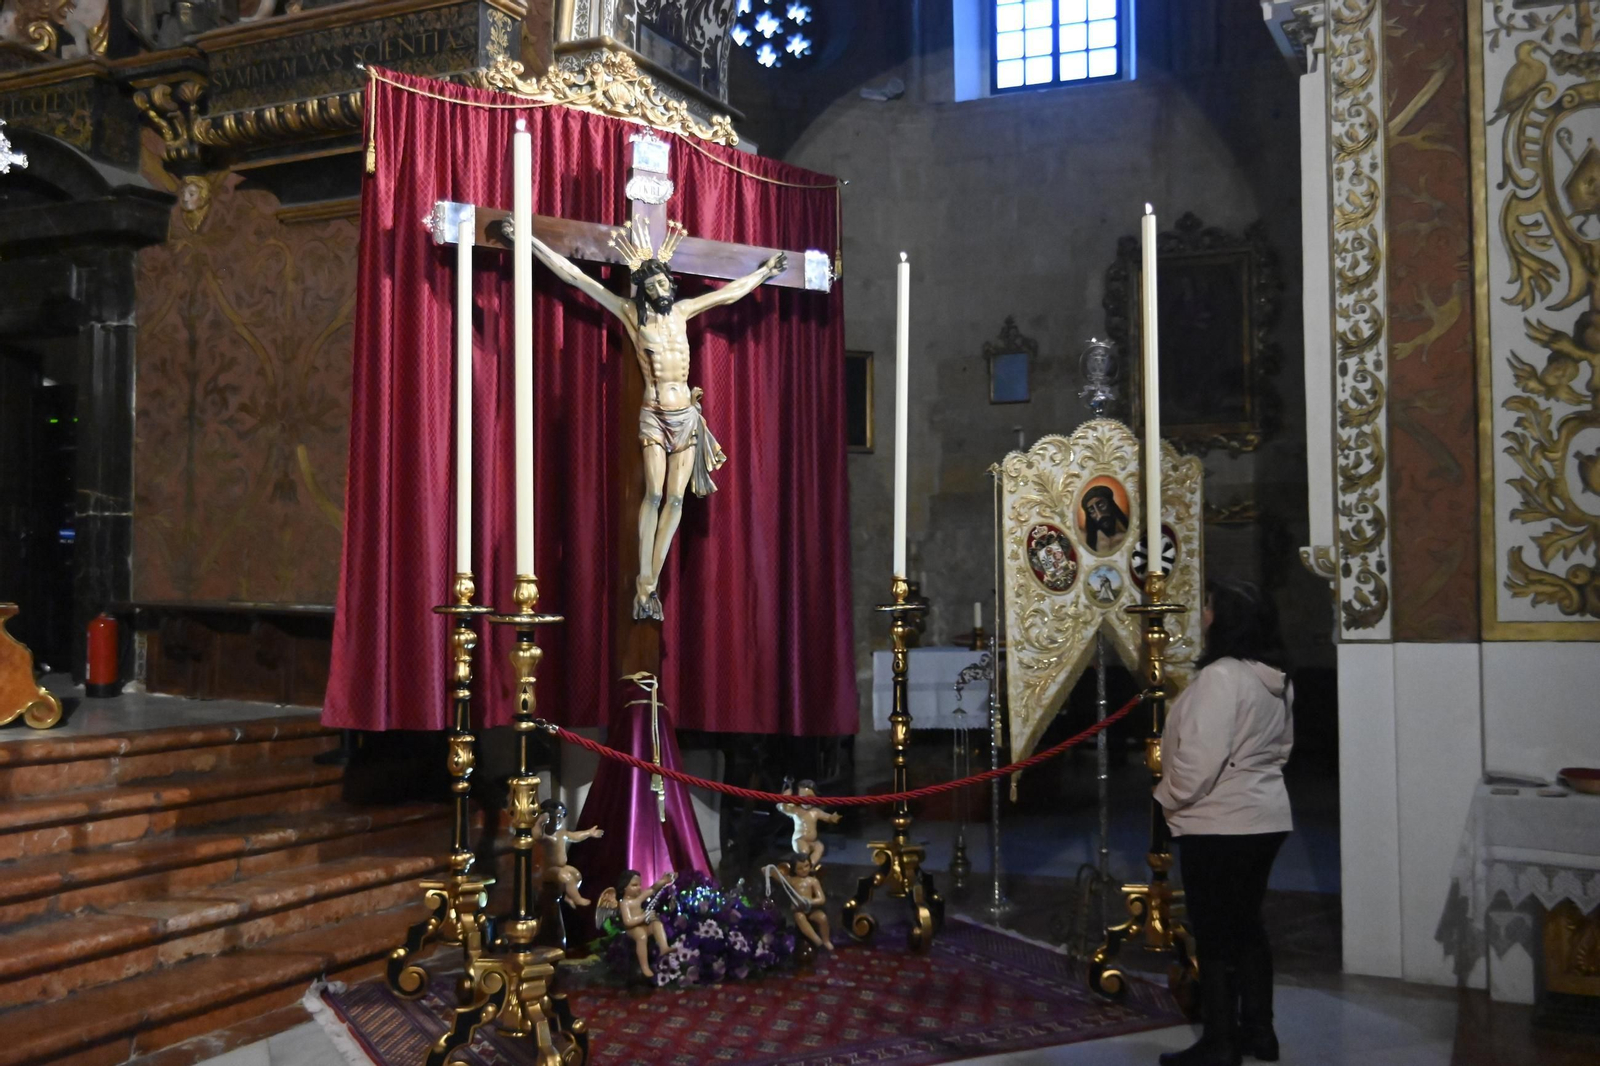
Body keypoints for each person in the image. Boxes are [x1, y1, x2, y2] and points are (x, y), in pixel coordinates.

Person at [1154, 580, 1293, 1066]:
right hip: (1265, 816)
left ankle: (1220, 1042)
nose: (1204, 616)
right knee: (1247, 926)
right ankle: (1259, 1032)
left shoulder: (1222, 677)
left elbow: (1199, 761)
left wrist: (1165, 798)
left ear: (1227, 619)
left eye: (1210, 608)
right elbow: (1282, 750)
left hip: (1221, 822)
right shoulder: (1274, 676)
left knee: (1213, 933)